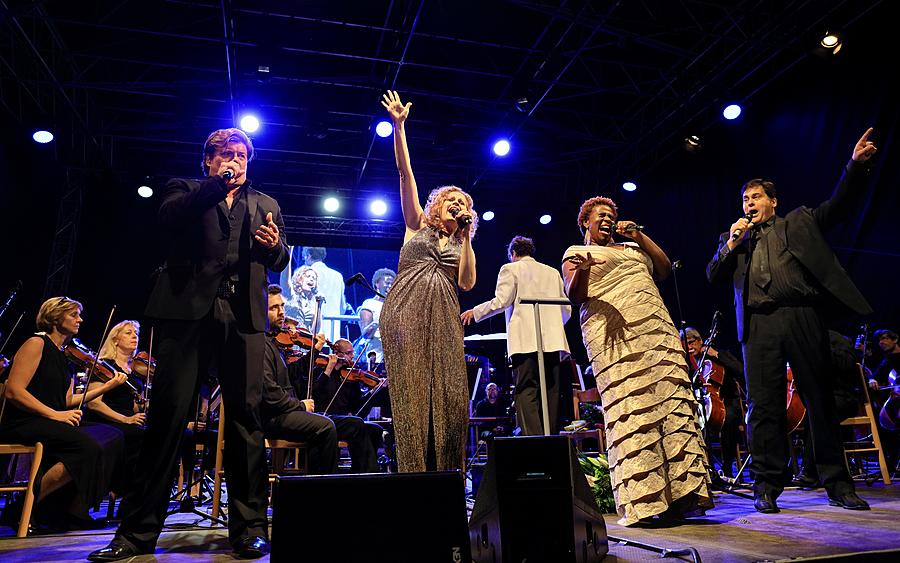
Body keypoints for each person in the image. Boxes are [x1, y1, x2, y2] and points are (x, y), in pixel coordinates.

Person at [89, 127, 289, 561]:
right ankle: (136, 533)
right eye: (225, 153)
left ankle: (250, 528)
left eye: (241, 154)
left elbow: (280, 257)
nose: (234, 160)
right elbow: (168, 219)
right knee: (167, 419)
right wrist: (217, 184)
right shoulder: (185, 189)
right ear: (209, 160)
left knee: (245, 422)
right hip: (187, 314)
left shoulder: (266, 204)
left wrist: (276, 249)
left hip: (245, 319)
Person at [706, 128, 877, 513]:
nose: (749, 203)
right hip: (759, 324)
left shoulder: (797, 221)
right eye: (744, 198)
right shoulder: (733, 238)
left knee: (817, 398)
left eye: (756, 197)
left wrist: (853, 167)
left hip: (801, 315)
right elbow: (712, 275)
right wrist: (732, 242)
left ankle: (837, 482)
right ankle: (766, 485)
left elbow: (840, 206)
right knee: (763, 406)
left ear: (773, 201)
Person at [562, 196, 713, 526]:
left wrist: (639, 236)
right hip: (616, 340)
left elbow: (663, 268)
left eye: (612, 215)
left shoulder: (633, 250)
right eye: (601, 215)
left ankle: (684, 495)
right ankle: (647, 502)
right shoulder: (576, 253)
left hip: (656, 332)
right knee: (633, 411)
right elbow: (574, 295)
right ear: (585, 221)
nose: (608, 219)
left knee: (671, 407)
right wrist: (584, 270)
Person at [379, 90, 477, 472]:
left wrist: (466, 238)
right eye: (451, 200)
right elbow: (404, 173)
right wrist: (399, 127)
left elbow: (467, 284)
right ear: (437, 205)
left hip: (444, 319)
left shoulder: (463, 243)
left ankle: (448, 477)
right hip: (404, 315)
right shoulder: (415, 224)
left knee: (452, 398)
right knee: (413, 398)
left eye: (464, 202)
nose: (458, 204)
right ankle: (412, 478)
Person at [0, 297, 126, 530]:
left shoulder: (63, 354)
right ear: (55, 317)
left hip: (48, 419)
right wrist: (54, 415)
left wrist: (107, 386)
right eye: (74, 315)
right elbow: (13, 391)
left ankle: (73, 508)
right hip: (24, 420)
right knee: (87, 446)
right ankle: (23, 506)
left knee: (113, 435)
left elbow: (67, 401)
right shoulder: (36, 343)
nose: (81, 319)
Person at [462, 235, 570, 435]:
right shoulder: (552, 272)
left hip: (526, 341)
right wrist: (552, 325)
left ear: (513, 254)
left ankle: (534, 443)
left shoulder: (510, 269)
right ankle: (551, 440)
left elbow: (502, 301)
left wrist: (475, 312)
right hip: (554, 342)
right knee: (551, 392)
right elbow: (566, 309)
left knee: (526, 390)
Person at [263, 285, 339, 474]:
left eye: (282, 306)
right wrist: (301, 406)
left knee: (325, 425)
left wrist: (315, 351)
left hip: (284, 413)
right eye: (274, 308)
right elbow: (270, 393)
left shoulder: (273, 344)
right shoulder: (262, 345)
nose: (282, 313)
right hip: (273, 417)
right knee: (325, 427)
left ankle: (311, 487)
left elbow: (291, 373)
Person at [290, 337, 383, 473]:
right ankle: (367, 473)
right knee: (356, 423)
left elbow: (358, 410)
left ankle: (358, 471)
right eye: (349, 353)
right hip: (324, 418)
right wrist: (328, 370)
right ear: (338, 354)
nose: (353, 356)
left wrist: (373, 393)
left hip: (345, 421)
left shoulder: (351, 375)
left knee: (375, 429)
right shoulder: (319, 370)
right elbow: (311, 394)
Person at [86, 320, 147, 499]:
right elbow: (94, 403)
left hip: (128, 420)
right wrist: (124, 419)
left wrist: (141, 406)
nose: (134, 336)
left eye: (136, 333)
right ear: (115, 339)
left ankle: (137, 495)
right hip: (106, 419)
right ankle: (124, 491)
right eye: (128, 333)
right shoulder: (104, 365)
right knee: (138, 436)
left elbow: (133, 407)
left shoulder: (135, 371)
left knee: (155, 435)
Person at [683, 327, 745, 479]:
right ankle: (706, 470)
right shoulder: (689, 366)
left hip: (729, 402)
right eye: (686, 345)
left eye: (691, 343)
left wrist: (716, 354)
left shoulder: (719, 355)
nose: (689, 348)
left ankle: (727, 468)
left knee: (727, 419)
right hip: (705, 405)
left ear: (700, 341)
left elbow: (740, 370)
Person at [302, 247, 347, 342]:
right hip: (333, 332)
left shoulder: (305, 273)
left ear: (308, 255)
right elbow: (342, 309)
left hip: (311, 332)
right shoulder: (338, 276)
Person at [357, 268, 396, 363]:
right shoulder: (369, 304)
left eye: (392, 284)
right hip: (375, 354)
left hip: (394, 353)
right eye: (387, 283)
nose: (390, 286)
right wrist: (377, 322)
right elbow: (365, 334)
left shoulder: (395, 305)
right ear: (377, 284)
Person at [285, 265, 320, 331]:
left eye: (314, 278)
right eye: (308, 276)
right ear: (299, 279)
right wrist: (288, 257)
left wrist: (319, 305)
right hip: (287, 336)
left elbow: (316, 330)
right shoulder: (291, 294)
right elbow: (285, 279)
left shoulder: (312, 303)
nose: (311, 279)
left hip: (304, 339)